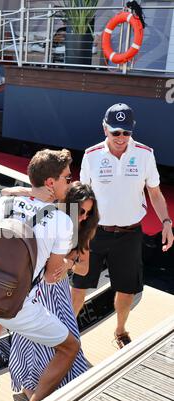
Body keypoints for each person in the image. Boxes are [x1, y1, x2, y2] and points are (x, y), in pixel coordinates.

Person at [0, 149, 81, 401]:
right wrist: (69, 262)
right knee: (69, 347)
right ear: (51, 183)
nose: (70, 183)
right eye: (66, 177)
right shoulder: (62, 219)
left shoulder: (4, 202)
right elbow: (51, 277)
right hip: (14, 305)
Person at [71, 103, 174, 349]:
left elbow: (155, 193)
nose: (121, 138)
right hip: (94, 232)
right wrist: (76, 234)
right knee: (79, 287)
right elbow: (81, 195)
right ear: (105, 128)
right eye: (115, 132)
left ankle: (120, 330)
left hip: (129, 234)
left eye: (126, 132)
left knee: (127, 290)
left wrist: (167, 223)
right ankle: (68, 335)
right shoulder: (91, 155)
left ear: (132, 130)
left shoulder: (145, 154)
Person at [6, 181, 99, 399]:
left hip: (58, 293)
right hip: (35, 289)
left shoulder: (83, 231)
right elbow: (6, 192)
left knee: (66, 339)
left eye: (89, 213)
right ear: (70, 206)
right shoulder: (51, 216)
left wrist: (69, 264)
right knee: (29, 341)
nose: (85, 217)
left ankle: (59, 385)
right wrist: (32, 191)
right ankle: (32, 386)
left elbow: (84, 269)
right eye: (82, 211)